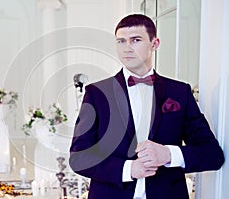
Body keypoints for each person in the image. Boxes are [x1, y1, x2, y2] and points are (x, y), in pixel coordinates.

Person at [69, 14, 224, 199]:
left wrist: (168, 154)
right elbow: (79, 158)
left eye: (135, 40)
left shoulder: (180, 92)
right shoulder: (96, 93)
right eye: (121, 41)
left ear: (155, 43)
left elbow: (212, 154)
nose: (127, 48)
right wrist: (128, 169)